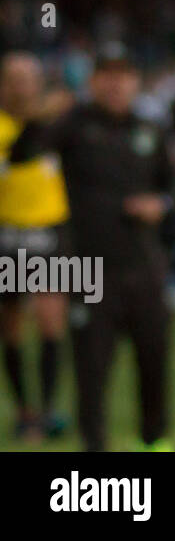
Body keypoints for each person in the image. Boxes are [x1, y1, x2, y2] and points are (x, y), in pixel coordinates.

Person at [33, 43, 175, 451]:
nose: (115, 83)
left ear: (135, 82)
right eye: (107, 74)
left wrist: (162, 205)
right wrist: (42, 113)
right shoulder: (72, 125)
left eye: (123, 75)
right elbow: (24, 154)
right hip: (87, 268)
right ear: (93, 81)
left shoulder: (149, 131)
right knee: (91, 370)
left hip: (144, 265)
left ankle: (155, 442)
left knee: (154, 361)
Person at [0, 52, 72, 442]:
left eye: (28, 77)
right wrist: (42, 115)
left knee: (50, 318)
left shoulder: (57, 125)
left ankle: (46, 410)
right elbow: (20, 151)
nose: (21, 85)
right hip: (7, 235)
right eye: (13, 78)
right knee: (11, 327)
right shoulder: (8, 126)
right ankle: (24, 410)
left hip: (49, 233)